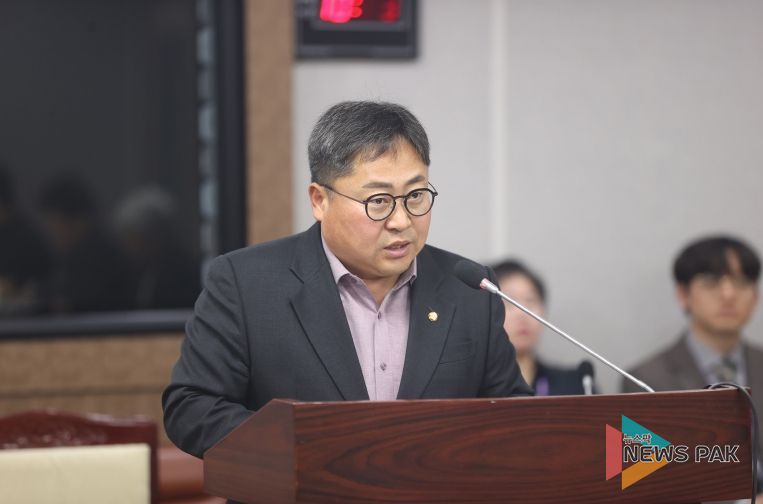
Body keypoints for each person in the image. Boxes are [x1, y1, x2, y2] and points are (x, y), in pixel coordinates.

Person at [163, 101, 533, 458]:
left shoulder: (468, 288)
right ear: (319, 200)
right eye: (378, 201)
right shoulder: (246, 284)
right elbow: (193, 408)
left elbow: (514, 414)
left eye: (416, 195)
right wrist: (312, 451)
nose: (401, 220)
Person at [621, 235, 763, 436]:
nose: (728, 295)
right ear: (683, 294)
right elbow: (640, 456)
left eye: (741, 282)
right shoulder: (645, 379)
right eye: (711, 282)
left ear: (755, 296)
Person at [492, 259, 589, 396]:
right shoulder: (471, 389)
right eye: (509, 302)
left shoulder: (576, 385)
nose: (522, 313)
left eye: (530, 300)